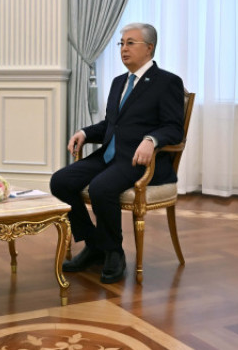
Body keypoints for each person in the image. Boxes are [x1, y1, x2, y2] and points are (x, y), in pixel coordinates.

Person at [50, 23, 184, 284]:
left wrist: (151, 140)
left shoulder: (167, 82)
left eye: (130, 43)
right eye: (121, 43)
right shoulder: (119, 82)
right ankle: (94, 244)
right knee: (60, 181)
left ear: (149, 48)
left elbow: (174, 128)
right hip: (109, 156)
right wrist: (85, 133)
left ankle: (114, 252)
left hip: (138, 161)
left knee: (101, 188)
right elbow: (111, 125)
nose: (123, 49)